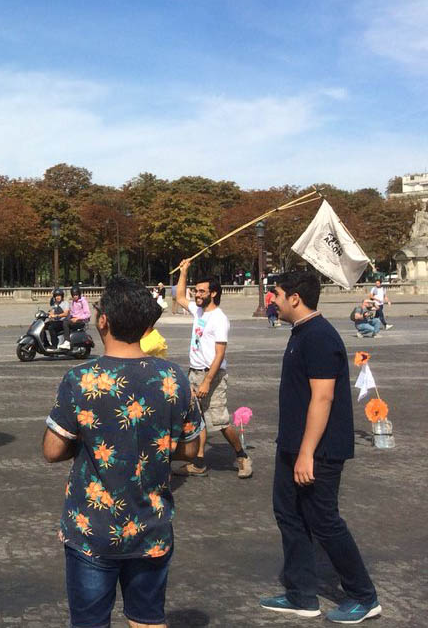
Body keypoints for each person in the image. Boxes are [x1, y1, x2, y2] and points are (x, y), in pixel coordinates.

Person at [42, 276, 203, 628]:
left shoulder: (81, 379)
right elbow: (192, 449)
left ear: (104, 321)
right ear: (147, 326)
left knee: (90, 622)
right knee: (147, 620)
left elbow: (52, 450)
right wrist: (155, 445)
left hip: (93, 529)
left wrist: (91, 443)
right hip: (151, 525)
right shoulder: (174, 378)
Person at [260, 272, 381, 624]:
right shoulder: (302, 333)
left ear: (295, 298)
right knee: (289, 515)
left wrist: (307, 452)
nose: (273, 300)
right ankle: (301, 594)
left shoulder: (319, 336)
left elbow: (323, 396)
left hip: (319, 449)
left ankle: (364, 595)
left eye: (277, 294)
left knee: (324, 520)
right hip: (294, 444)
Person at [174, 259, 251, 479]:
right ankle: (198, 462)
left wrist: (208, 381)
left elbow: (220, 354)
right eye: (196, 290)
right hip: (194, 372)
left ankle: (242, 456)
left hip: (212, 374)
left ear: (213, 293)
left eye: (201, 291)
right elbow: (179, 297)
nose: (196, 295)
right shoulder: (198, 312)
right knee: (198, 419)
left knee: (220, 421)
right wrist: (184, 271)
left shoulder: (220, 319)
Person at [59, 286, 91, 350]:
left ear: (79, 294)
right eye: (73, 295)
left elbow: (88, 314)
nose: (75, 296)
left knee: (66, 323)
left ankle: (67, 342)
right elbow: (72, 313)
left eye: (76, 295)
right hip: (74, 319)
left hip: (81, 321)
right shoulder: (73, 302)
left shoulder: (83, 301)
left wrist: (77, 318)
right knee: (62, 322)